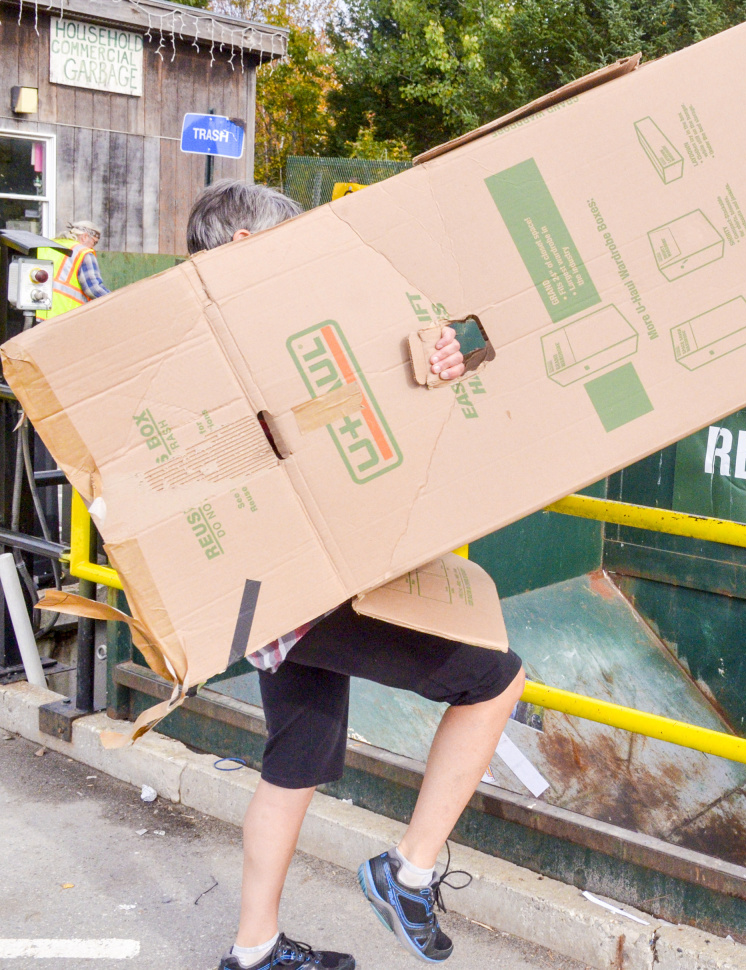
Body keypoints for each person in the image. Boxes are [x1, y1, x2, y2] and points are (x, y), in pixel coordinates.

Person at [187, 180, 526, 970]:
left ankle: (253, 951)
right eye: (290, 235)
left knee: (295, 759)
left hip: (261, 593)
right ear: (245, 245)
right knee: (495, 680)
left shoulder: (204, 341)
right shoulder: (275, 327)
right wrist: (459, 347)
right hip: (308, 590)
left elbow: (444, 340)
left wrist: (459, 345)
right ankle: (407, 874)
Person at [35, 219, 110, 319]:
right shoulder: (82, 253)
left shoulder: (47, 246)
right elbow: (93, 289)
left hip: (36, 313)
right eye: (94, 242)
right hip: (63, 316)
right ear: (85, 237)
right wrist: (115, 300)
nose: (93, 247)